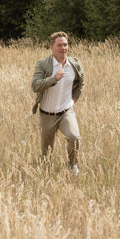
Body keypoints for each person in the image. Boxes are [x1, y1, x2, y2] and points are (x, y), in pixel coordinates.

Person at [31, 31, 84, 175]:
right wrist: (54, 78)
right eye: (59, 45)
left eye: (65, 45)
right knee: (46, 152)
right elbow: (35, 86)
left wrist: (73, 100)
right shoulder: (43, 64)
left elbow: (81, 83)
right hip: (47, 114)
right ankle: (45, 173)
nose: (63, 48)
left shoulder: (74, 64)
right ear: (51, 47)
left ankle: (72, 167)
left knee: (74, 138)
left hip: (66, 112)